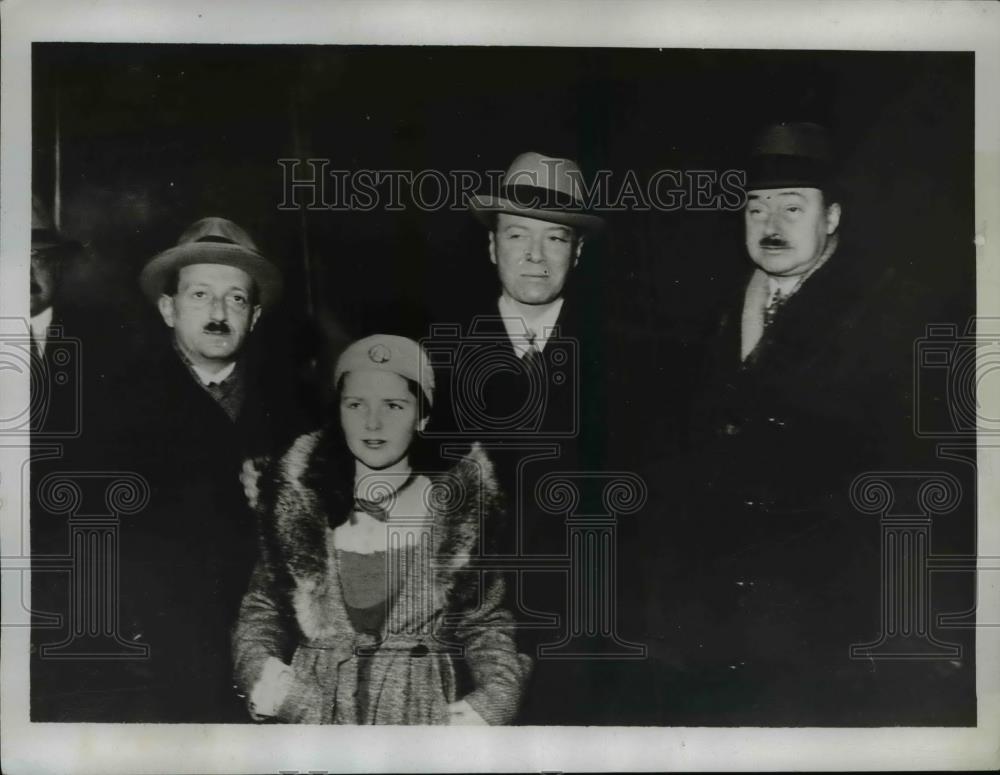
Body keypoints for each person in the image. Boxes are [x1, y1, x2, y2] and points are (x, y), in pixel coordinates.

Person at [638, 121, 974, 724]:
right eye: (755, 208)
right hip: (711, 634)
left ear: (834, 216)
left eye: (793, 208)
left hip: (831, 639)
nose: (770, 226)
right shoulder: (708, 308)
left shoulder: (894, 315)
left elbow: (927, 486)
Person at [70, 216, 313, 722]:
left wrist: (294, 491)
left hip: (274, 662)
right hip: (154, 662)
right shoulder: (112, 408)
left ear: (256, 315)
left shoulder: (300, 411)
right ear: (168, 308)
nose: (219, 312)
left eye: (237, 299)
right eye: (200, 295)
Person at [232, 334, 531, 724]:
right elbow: (263, 607)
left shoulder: (458, 510)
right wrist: (268, 682)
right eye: (356, 404)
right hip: (314, 712)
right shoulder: (303, 501)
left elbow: (487, 621)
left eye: (394, 405)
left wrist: (495, 701)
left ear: (421, 416)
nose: (372, 422)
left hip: (419, 713)